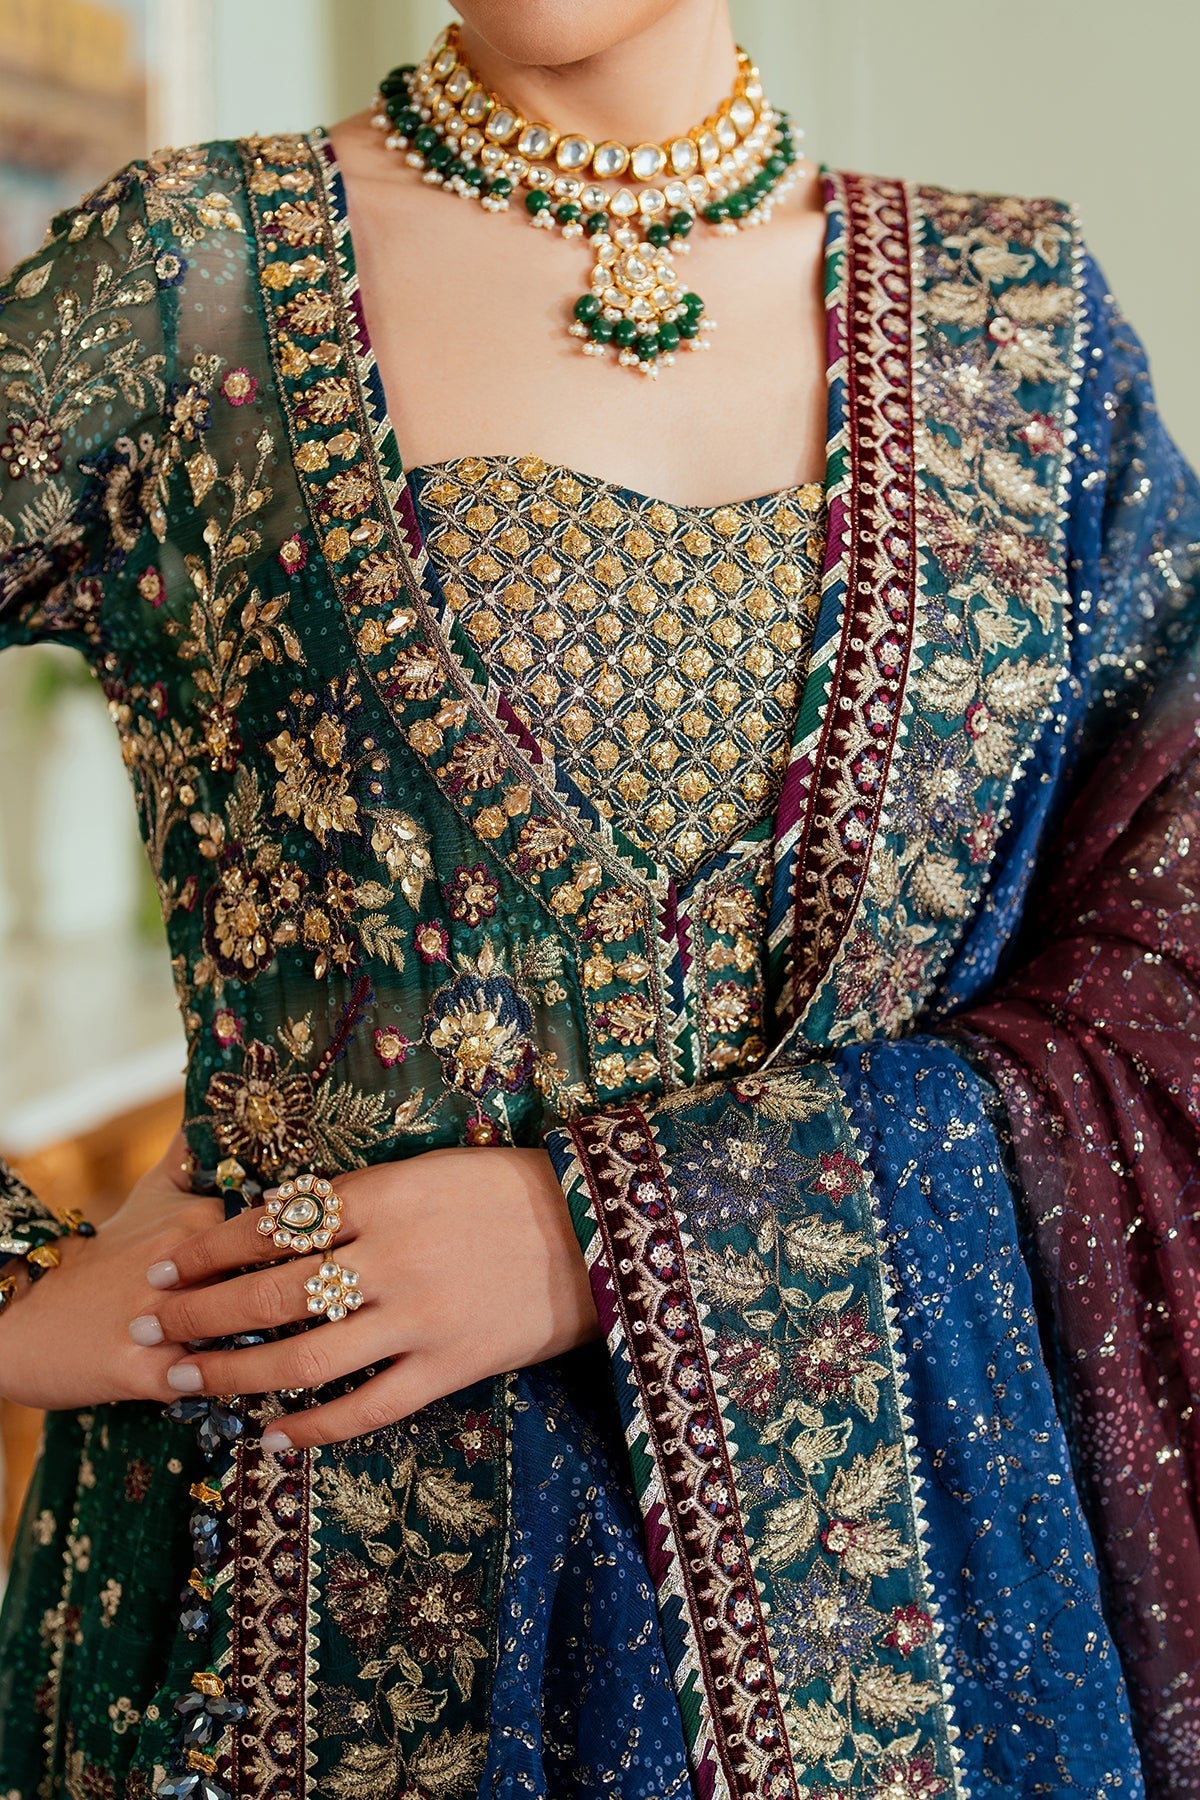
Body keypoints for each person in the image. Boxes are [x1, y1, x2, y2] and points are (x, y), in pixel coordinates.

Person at [0, 0, 1197, 1793]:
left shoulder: (1017, 327)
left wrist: (601, 1235)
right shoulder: (187, 277)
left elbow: (1169, 966)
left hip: (909, 1638)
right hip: (305, 1626)